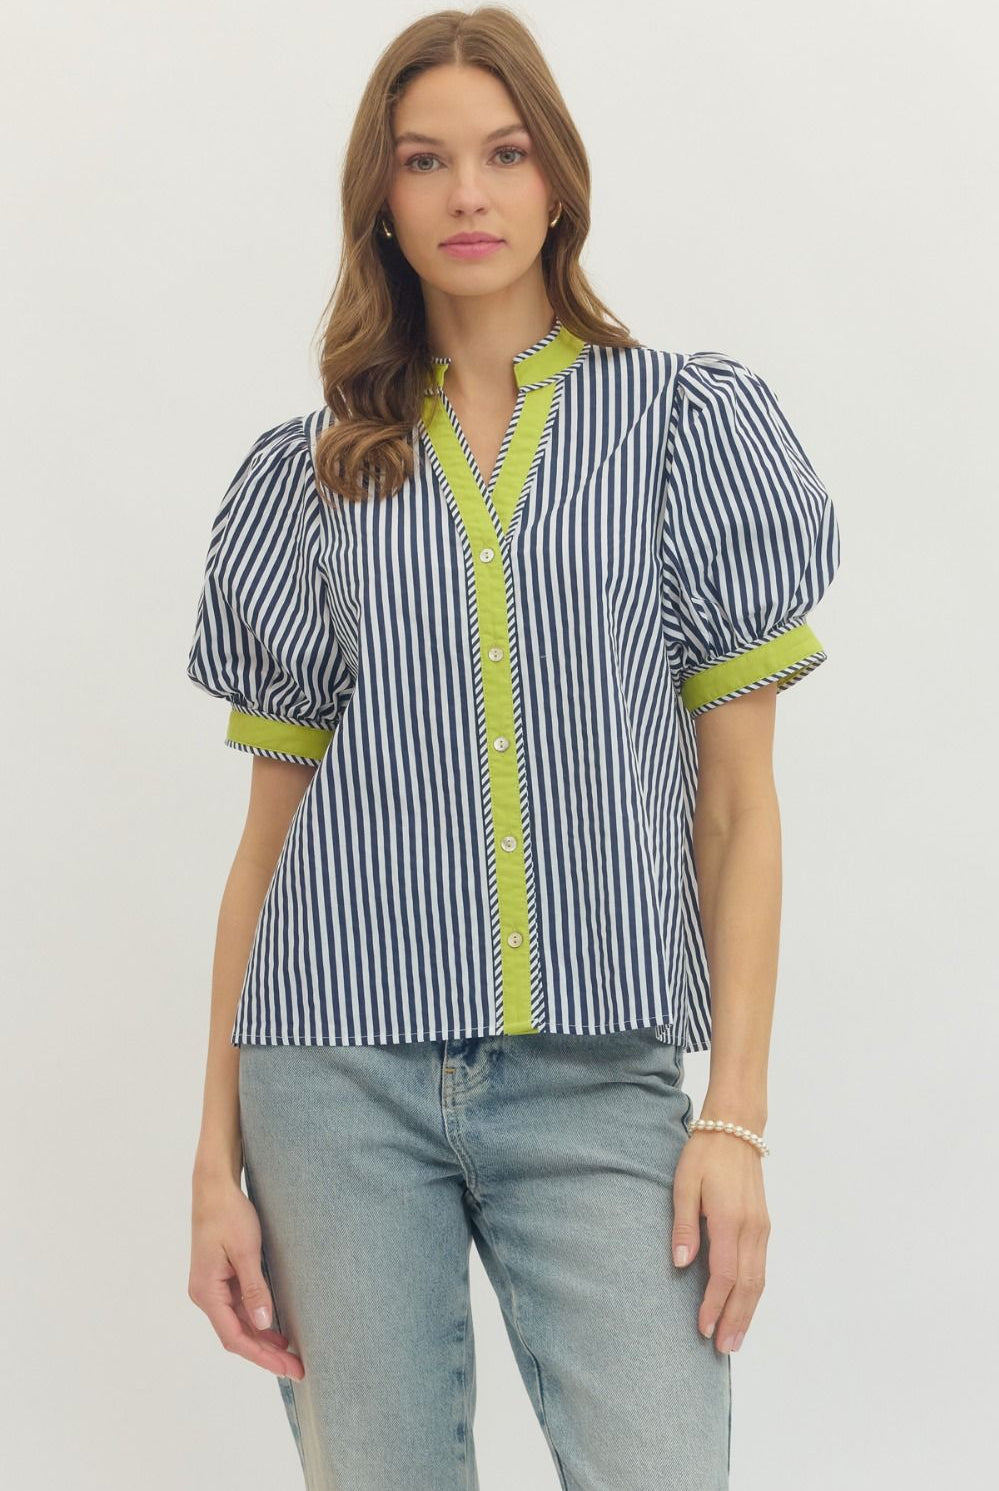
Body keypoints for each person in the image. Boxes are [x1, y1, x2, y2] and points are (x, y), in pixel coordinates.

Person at [184, 8, 841, 1489]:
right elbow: (264, 850)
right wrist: (213, 1165)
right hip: (330, 1073)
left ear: (559, 182)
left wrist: (734, 1117)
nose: (467, 194)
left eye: (504, 153)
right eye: (425, 161)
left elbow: (738, 810)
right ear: (382, 198)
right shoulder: (310, 478)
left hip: (600, 1076)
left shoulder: (686, 432)